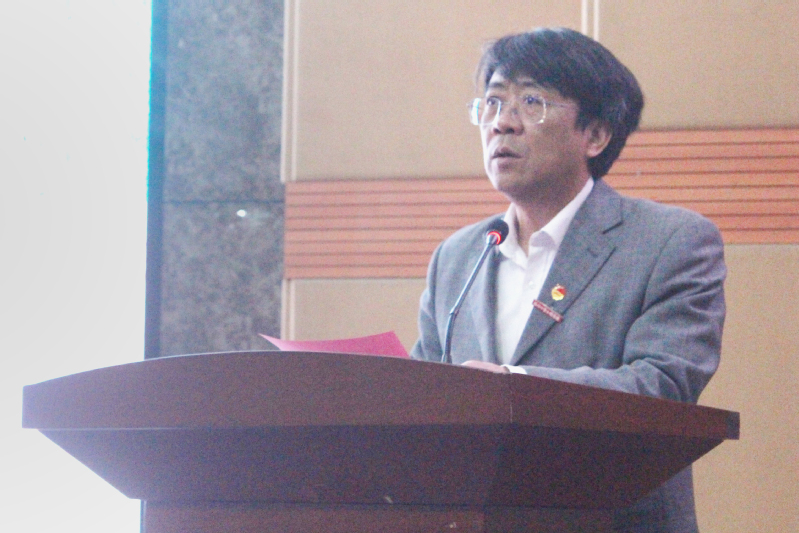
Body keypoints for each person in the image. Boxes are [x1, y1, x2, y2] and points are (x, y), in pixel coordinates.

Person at [410, 28, 726, 533]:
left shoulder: (670, 241)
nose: (502, 123)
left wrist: (511, 386)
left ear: (595, 135)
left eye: (531, 102)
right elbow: (425, 397)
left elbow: (662, 388)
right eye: (492, 102)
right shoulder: (458, 256)